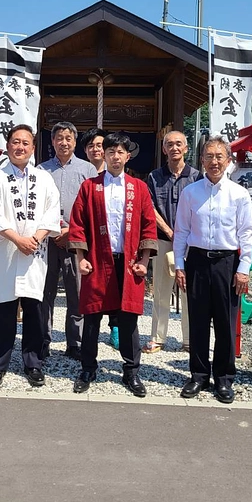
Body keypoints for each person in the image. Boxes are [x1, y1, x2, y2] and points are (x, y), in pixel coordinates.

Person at [68, 133, 158, 397]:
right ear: (103, 155)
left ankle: (131, 370)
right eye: (110, 152)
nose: (115, 157)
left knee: (129, 318)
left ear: (127, 156)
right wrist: (80, 258)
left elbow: (148, 224)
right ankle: (88, 368)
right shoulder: (90, 187)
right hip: (98, 260)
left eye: (120, 152)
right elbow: (78, 223)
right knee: (92, 315)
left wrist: (143, 260)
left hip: (128, 262)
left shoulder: (138, 187)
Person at [174, 136, 252, 403]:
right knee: (197, 321)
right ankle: (198, 374)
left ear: (228, 161)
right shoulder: (190, 192)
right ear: (202, 160)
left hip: (227, 263)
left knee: (225, 323)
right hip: (196, 261)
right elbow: (182, 231)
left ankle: (223, 378)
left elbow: (246, 234)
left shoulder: (239, 194)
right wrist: (180, 265)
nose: (214, 161)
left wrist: (244, 269)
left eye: (219, 156)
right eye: (209, 156)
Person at [0, 124, 62, 388]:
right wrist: (17, 239)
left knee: (34, 310)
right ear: (8, 146)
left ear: (33, 147)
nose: (20, 147)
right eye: (15, 142)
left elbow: (52, 212)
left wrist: (35, 239)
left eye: (25, 143)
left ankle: (33, 363)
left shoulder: (44, 178)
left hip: (35, 254)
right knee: (4, 309)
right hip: (7, 253)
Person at [38, 121, 97, 361]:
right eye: (59, 138)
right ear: (52, 142)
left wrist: (71, 230)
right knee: (45, 293)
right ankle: (43, 339)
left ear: (75, 142)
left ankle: (75, 342)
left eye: (68, 138)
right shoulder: (41, 171)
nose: (64, 142)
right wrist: (55, 230)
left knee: (77, 293)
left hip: (77, 240)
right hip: (48, 239)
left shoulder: (88, 170)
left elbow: (92, 208)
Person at [144, 130, 201, 354]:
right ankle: (158, 337)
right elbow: (149, 206)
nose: (174, 148)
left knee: (189, 291)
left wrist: (184, 235)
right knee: (161, 290)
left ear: (186, 148)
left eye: (179, 144)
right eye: (170, 144)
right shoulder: (154, 176)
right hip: (163, 240)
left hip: (191, 242)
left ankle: (189, 340)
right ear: (163, 149)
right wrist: (170, 231)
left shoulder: (196, 176)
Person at [80, 126, 121, 347]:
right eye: (91, 146)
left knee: (117, 284)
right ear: (85, 151)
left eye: (100, 145)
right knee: (92, 291)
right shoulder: (84, 175)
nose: (96, 149)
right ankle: (87, 341)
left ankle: (115, 326)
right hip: (90, 242)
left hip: (114, 241)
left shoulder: (118, 174)